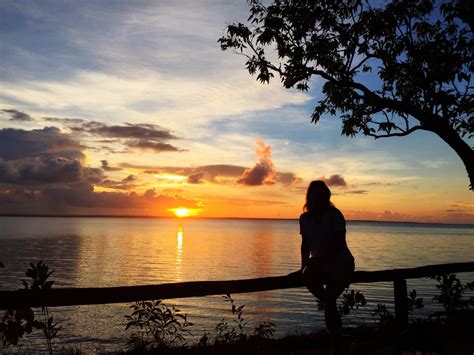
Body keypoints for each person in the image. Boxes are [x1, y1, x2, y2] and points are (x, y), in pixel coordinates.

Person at [299, 180, 355, 334]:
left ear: (326, 196)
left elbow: (338, 244)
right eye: (313, 194)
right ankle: (337, 342)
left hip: (341, 263)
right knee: (328, 299)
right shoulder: (305, 219)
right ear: (309, 197)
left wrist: (322, 262)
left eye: (320, 194)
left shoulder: (334, 215)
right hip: (319, 264)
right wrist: (303, 267)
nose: (316, 197)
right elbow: (305, 245)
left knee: (329, 301)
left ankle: (336, 342)